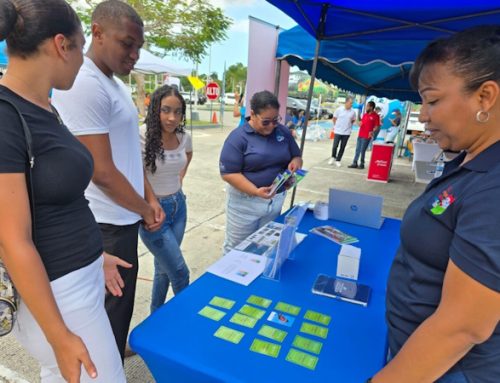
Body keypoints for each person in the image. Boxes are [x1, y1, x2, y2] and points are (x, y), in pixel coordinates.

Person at [0, 0, 125, 381]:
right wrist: (60, 337)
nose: (83, 58)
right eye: (81, 45)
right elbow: (10, 239)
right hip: (58, 296)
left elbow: (58, 198)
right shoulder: (6, 116)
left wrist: (94, 254)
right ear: (60, 45)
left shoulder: (41, 107)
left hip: (77, 281)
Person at [370, 25, 500, 383]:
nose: (423, 115)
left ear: (485, 97)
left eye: (433, 100)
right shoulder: (469, 158)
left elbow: (464, 327)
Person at [52, 0, 165, 361]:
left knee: (119, 313)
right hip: (104, 226)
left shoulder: (113, 84)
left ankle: (112, 362)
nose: (133, 54)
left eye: (138, 48)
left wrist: (150, 197)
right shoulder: (84, 83)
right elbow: (101, 171)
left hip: (124, 220)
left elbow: (129, 153)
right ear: (97, 32)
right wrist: (145, 208)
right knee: (104, 321)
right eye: (126, 44)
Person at [219, 90, 302, 254]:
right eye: (265, 122)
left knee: (264, 245)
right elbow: (228, 173)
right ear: (252, 114)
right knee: (236, 248)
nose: (271, 126)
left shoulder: (282, 132)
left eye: (275, 120)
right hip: (245, 203)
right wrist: (255, 191)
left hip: (274, 200)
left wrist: (295, 163)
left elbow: (296, 156)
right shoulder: (238, 138)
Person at [140, 85, 192, 313]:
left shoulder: (183, 137)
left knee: (163, 268)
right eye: (166, 110)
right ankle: (185, 322)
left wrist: (179, 178)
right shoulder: (140, 135)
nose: (172, 118)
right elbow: (136, 172)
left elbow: (187, 155)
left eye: (178, 112)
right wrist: (150, 202)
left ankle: (155, 319)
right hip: (153, 213)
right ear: (155, 110)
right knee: (180, 272)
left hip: (178, 207)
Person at [348, 100, 380, 169]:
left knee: (362, 150)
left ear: (371, 107)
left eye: (367, 106)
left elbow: (377, 126)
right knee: (357, 149)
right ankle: (355, 163)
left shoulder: (376, 116)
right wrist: (358, 123)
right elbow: (361, 123)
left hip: (367, 136)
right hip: (360, 134)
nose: (366, 108)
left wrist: (372, 131)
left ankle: (362, 164)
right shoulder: (365, 114)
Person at [328, 97, 357, 167]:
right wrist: (336, 126)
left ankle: (338, 160)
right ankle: (333, 157)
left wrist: (349, 126)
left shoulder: (353, 112)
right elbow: (334, 118)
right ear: (346, 102)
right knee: (335, 146)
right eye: (350, 103)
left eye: (352, 103)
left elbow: (353, 120)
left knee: (342, 147)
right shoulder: (339, 110)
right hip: (338, 131)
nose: (351, 105)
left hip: (346, 132)